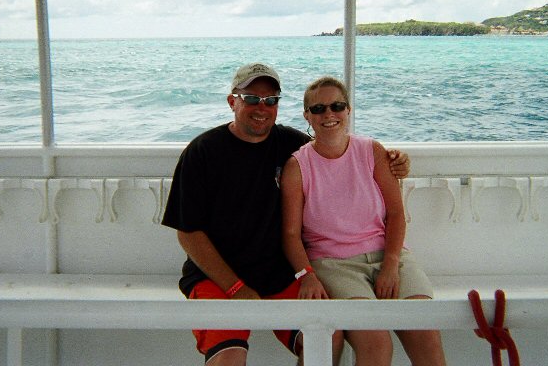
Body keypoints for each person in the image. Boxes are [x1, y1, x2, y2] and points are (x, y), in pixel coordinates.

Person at [161, 63, 411, 366]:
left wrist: (396, 162)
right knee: (228, 357)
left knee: (326, 337)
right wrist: (236, 288)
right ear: (232, 101)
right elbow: (188, 233)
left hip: (279, 274)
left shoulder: (293, 146)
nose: (261, 108)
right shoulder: (202, 152)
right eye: (251, 98)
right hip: (217, 278)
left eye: (271, 100)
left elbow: (337, 150)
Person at [281, 76, 446, 366]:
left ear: (348, 110)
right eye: (318, 109)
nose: (329, 114)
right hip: (334, 264)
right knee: (376, 343)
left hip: (389, 256)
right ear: (307, 116)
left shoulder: (372, 151)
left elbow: (395, 214)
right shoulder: (298, 166)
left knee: (426, 335)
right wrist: (306, 275)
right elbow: (291, 234)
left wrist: (391, 264)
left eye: (337, 106)